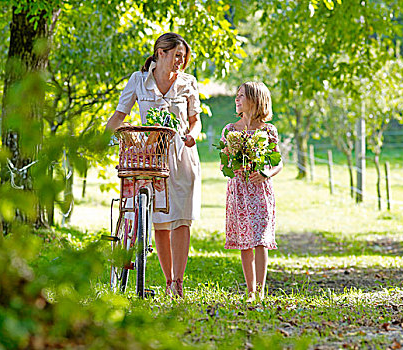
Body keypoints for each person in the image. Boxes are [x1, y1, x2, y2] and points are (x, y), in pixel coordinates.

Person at [105, 33, 202, 297]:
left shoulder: (188, 83)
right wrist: (103, 138)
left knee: (181, 219)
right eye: (176, 56)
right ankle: (168, 277)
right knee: (159, 221)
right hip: (151, 158)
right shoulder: (139, 80)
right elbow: (119, 115)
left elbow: (195, 120)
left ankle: (177, 284)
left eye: (184, 58)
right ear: (160, 53)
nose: (180, 62)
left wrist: (193, 133)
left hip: (181, 157)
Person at [221, 82, 283, 302]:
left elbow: (278, 162)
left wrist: (266, 173)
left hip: (260, 191)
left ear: (255, 100)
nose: (236, 100)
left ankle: (261, 290)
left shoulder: (268, 130)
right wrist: (230, 163)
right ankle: (250, 291)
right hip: (238, 191)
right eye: (236, 96)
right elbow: (223, 163)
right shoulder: (230, 130)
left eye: (241, 96)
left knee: (260, 240)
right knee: (245, 240)